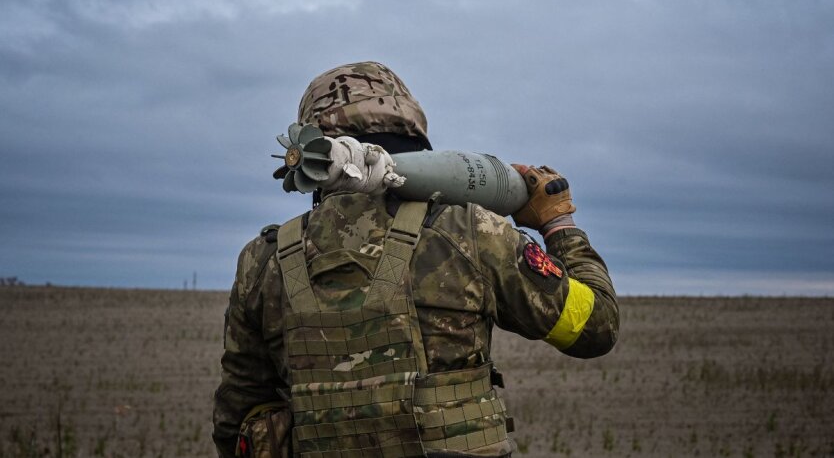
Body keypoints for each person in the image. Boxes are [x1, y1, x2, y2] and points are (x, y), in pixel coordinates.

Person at [213, 61, 619, 458]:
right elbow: (595, 327)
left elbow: (239, 415)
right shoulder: (472, 234)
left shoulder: (264, 259)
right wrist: (559, 223)